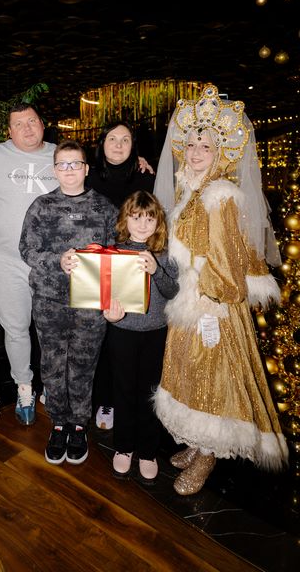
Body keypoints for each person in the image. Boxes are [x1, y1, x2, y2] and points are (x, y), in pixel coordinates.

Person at [153, 83, 288, 496]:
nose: (195, 152)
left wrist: (209, 302)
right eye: (192, 144)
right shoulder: (190, 190)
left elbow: (228, 262)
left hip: (212, 304)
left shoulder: (220, 195)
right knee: (190, 373)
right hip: (188, 299)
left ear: (220, 153)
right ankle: (197, 442)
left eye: (205, 147)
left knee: (214, 378)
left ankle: (210, 452)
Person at [19, 139, 119, 465]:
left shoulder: (105, 209)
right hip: (49, 301)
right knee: (51, 365)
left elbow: (116, 255)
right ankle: (58, 423)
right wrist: (57, 261)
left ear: (86, 169)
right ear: (54, 170)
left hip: (90, 304)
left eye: (75, 163)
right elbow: (27, 249)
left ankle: (78, 425)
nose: (69, 170)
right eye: (63, 164)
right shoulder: (41, 206)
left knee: (83, 366)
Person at [0, 103, 58, 426]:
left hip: (52, 263)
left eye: (32, 121)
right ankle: (24, 387)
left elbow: (93, 180)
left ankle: (53, 386)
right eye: (19, 124)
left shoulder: (61, 155)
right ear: (9, 132)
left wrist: (137, 163)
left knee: (53, 330)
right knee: (16, 328)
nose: (27, 128)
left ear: (42, 124)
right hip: (8, 260)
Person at [103, 190, 179, 483]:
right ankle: (123, 447)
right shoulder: (115, 252)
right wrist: (108, 314)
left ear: (158, 221)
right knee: (123, 390)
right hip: (122, 331)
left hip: (155, 332)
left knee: (149, 392)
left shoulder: (165, 252)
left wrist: (156, 271)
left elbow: (173, 291)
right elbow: (102, 293)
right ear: (126, 219)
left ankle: (148, 451)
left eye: (149, 218)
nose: (143, 225)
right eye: (136, 218)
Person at [87, 121, 155, 431]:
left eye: (125, 140)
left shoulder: (145, 177)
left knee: (122, 337)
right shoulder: (88, 175)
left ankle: (123, 402)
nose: (118, 145)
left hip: (130, 264)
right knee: (98, 336)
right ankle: (102, 398)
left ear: (133, 146)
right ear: (101, 143)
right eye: (112, 139)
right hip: (97, 263)